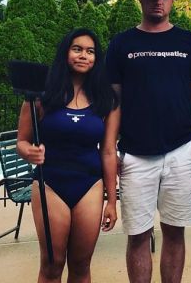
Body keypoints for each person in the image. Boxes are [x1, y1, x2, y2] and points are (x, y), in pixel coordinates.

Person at [105, 0, 191, 283]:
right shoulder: (122, 44)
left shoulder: (187, 42)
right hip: (135, 153)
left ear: (173, 0)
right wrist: (109, 149)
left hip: (179, 150)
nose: (158, 0)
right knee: (138, 235)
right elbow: (114, 101)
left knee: (175, 231)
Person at [17, 28, 120, 282]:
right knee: (52, 265)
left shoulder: (106, 99)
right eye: (77, 49)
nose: (83, 55)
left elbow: (108, 151)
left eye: (90, 51)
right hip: (50, 183)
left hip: (89, 185)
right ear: (66, 53)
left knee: (81, 265)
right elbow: (22, 142)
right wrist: (29, 152)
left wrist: (111, 200)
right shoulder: (41, 95)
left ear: (96, 58)